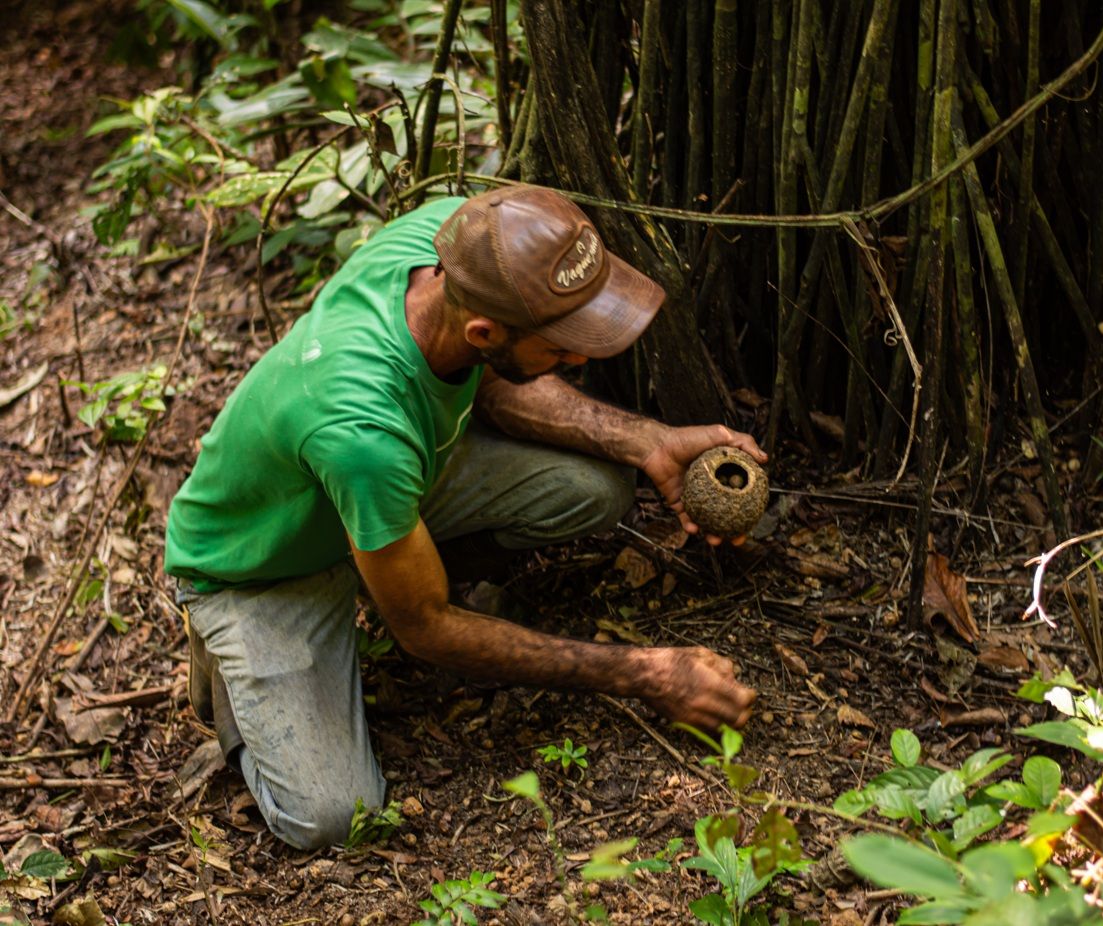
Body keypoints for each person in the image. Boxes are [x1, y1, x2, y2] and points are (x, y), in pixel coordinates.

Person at [164, 184, 763, 850]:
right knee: (335, 819)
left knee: (594, 488)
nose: (581, 359)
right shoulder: (362, 430)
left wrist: (645, 440)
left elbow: (496, 380)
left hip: (388, 489)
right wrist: (642, 672)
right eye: (562, 348)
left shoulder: (461, 239)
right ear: (483, 330)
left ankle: (387, 565)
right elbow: (426, 627)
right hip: (259, 565)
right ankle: (235, 666)